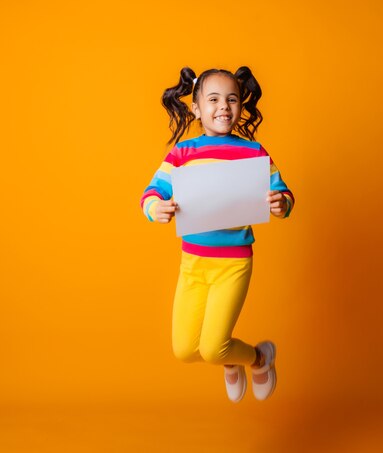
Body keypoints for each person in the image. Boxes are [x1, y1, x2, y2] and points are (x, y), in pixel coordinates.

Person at [140, 66, 294, 403]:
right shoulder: (183, 153)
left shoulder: (253, 152)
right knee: (183, 349)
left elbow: (284, 193)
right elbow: (151, 193)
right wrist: (156, 209)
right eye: (213, 99)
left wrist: (281, 204)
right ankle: (232, 359)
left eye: (232, 99)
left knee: (212, 348)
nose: (223, 106)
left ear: (240, 107)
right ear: (196, 108)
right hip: (194, 265)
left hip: (234, 265)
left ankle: (258, 358)